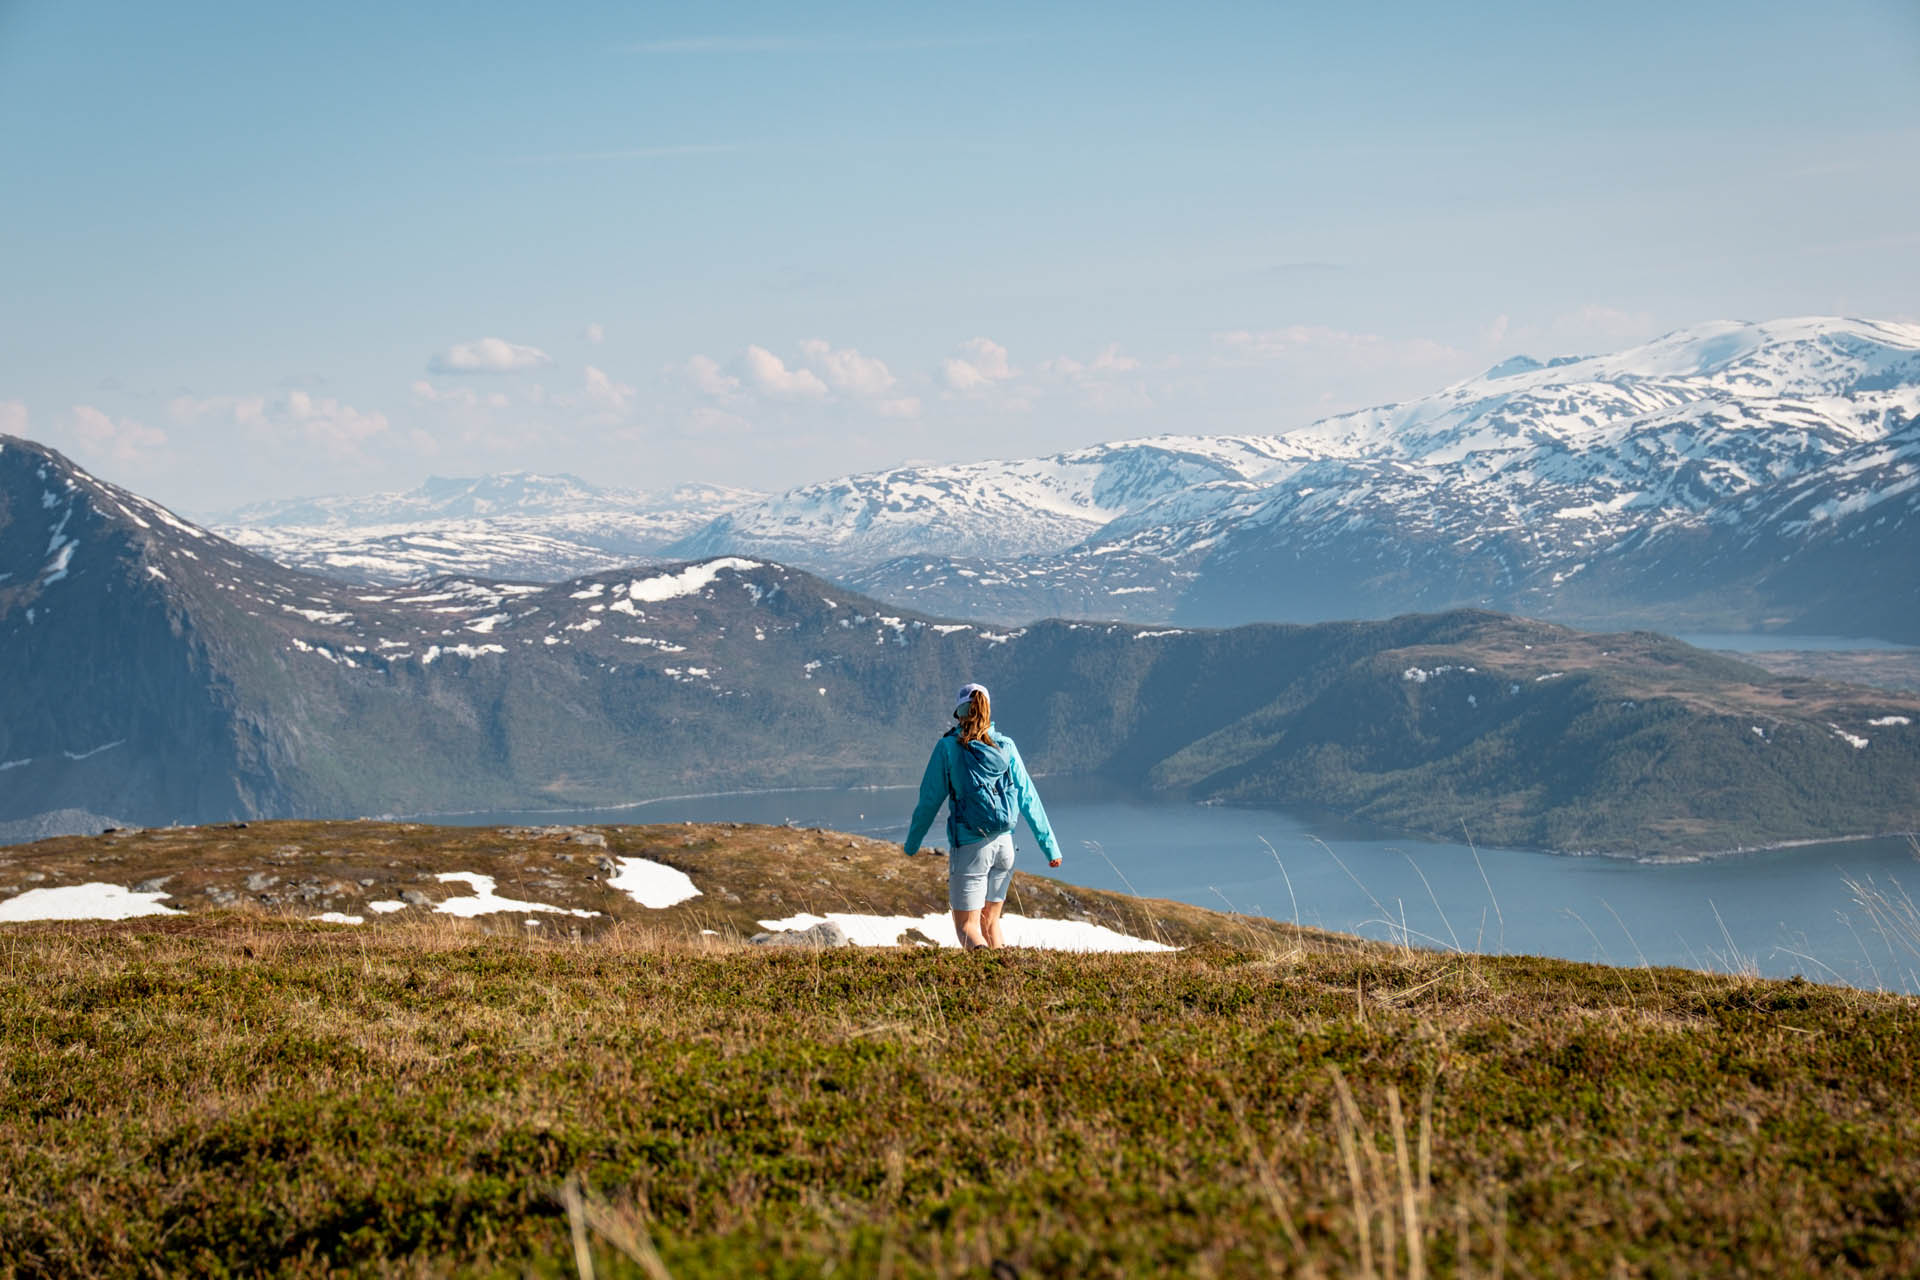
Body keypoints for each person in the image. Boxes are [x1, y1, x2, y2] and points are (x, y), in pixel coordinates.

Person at [903, 682, 1061, 950]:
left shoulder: (948, 747)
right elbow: (1028, 797)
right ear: (987, 709)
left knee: (967, 927)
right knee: (990, 923)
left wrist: (912, 843)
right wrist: (1050, 848)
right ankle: (1005, 982)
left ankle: (986, 977)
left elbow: (929, 800)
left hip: (971, 846)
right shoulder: (1006, 746)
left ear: (959, 712)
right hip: (1005, 847)